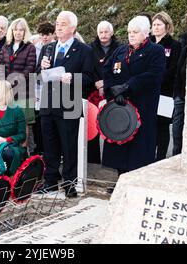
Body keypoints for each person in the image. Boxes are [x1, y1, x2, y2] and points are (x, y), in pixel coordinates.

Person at [36, 11, 94, 198]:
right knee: (49, 145)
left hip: (69, 104)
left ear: (72, 28)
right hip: (48, 104)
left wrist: (73, 78)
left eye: (63, 23)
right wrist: (42, 67)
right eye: (57, 23)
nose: (58, 26)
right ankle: (50, 181)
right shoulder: (48, 48)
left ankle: (69, 183)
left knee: (69, 146)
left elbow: (90, 77)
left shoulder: (84, 50)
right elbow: (38, 76)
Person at [102, 16, 165, 178]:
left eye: (135, 32)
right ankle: (120, 178)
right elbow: (107, 69)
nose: (131, 35)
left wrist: (128, 86)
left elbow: (153, 74)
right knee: (119, 141)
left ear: (146, 33)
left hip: (142, 104)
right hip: (119, 104)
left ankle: (136, 178)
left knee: (140, 146)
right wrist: (112, 90)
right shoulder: (120, 51)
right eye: (129, 32)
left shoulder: (155, 51)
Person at [0, 18, 37, 150]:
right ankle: (11, 150)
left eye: (21, 30)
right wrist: (4, 83)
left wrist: (11, 82)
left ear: (25, 32)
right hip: (7, 91)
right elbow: (0, 66)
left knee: (24, 122)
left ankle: (24, 152)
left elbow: (30, 68)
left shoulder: (30, 47)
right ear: (12, 31)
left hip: (24, 91)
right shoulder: (6, 47)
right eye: (15, 30)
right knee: (10, 121)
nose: (18, 33)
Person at [87, 21, 122, 164]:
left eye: (106, 32)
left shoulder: (120, 48)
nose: (103, 35)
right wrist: (96, 81)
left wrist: (106, 83)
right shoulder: (90, 48)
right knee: (92, 124)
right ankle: (93, 160)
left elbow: (119, 68)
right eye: (100, 32)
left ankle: (112, 161)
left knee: (111, 124)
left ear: (112, 33)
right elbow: (88, 67)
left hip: (111, 89)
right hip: (92, 89)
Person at [151, 12, 181, 160]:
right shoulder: (147, 43)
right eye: (154, 24)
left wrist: (156, 79)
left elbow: (173, 69)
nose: (156, 27)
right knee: (149, 124)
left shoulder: (174, 45)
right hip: (148, 91)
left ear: (167, 26)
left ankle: (160, 156)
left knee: (162, 125)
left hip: (165, 92)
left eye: (159, 24)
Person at [32, 22, 56, 156]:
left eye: (47, 34)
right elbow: (35, 71)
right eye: (42, 34)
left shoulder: (55, 47)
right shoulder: (35, 47)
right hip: (37, 89)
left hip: (53, 91)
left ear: (53, 34)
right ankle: (40, 151)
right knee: (39, 123)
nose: (45, 37)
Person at [173, 14, 187, 156]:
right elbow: (178, 70)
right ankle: (176, 154)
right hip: (181, 94)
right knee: (177, 128)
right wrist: (177, 93)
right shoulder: (184, 42)